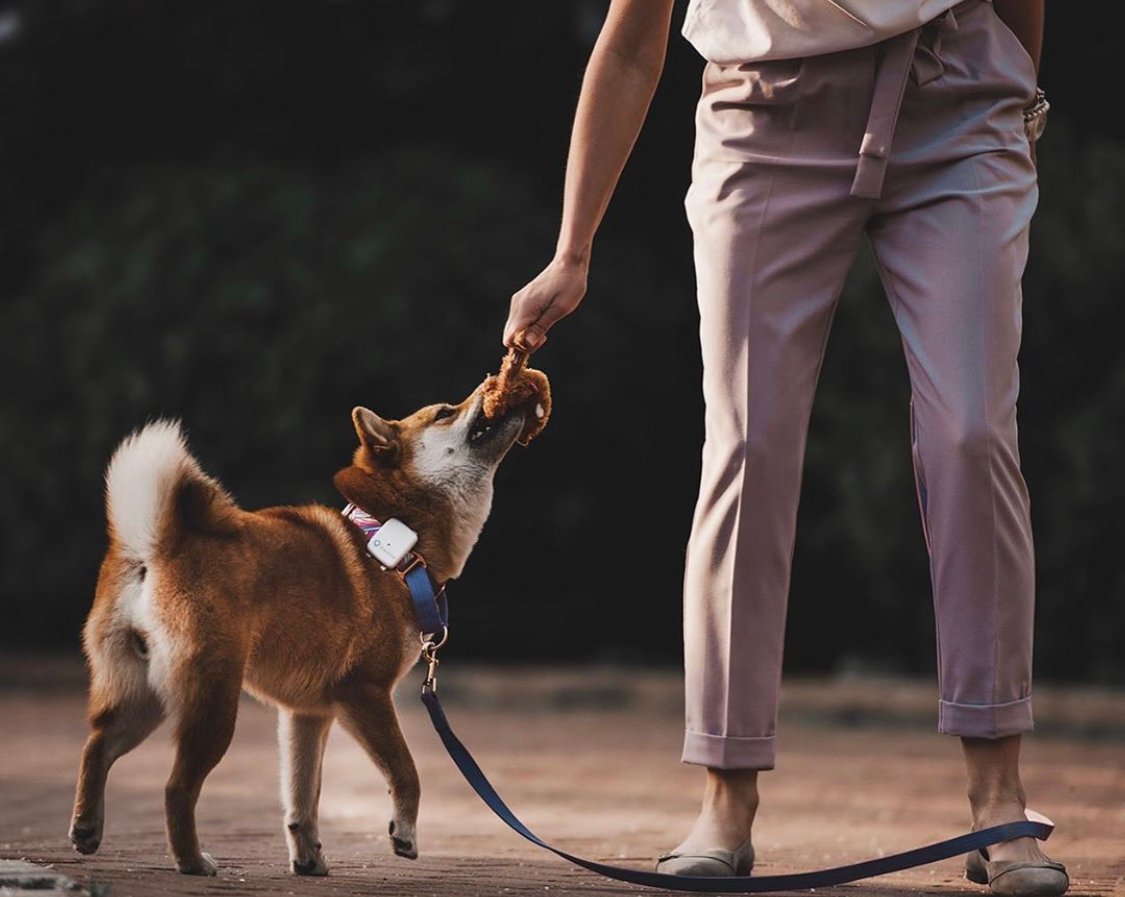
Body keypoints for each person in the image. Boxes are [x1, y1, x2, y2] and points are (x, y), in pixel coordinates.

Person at [502, 0, 1066, 894]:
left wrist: (1015, 102)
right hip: (764, 115)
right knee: (748, 446)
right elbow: (631, 44)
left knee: (971, 434)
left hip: (956, 101)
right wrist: (572, 251)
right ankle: (725, 797)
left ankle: (999, 795)